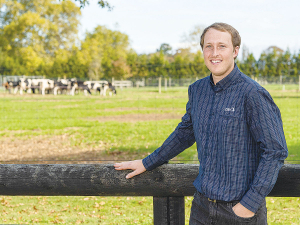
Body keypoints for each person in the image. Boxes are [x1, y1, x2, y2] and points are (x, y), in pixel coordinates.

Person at [114, 22, 288, 224]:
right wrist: (147, 162)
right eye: (209, 46)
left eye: (222, 46)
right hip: (202, 209)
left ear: (235, 51)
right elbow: (185, 133)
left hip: (240, 212)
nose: (215, 53)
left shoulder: (252, 94)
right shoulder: (197, 91)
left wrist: (250, 203)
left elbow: (275, 151)